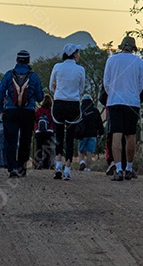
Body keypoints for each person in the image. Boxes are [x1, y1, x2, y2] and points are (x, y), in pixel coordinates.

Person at [102, 35, 143, 181]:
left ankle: (119, 169)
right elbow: (141, 85)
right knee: (130, 135)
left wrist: (114, 93)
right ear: (133, 48)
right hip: (132, 101)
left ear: (121, 46)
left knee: (116, 134)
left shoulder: (111, 60)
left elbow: (106, 83)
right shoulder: (139, 62)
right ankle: (129, 168)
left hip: (115, 101)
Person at [0, 49, 45, 178]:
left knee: (10, 140)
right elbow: (40, 97)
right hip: (28, 112)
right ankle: (22, 168)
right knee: (25, 140)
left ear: (17, 60)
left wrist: (1, 110)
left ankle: (12, 167)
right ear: (28, 61)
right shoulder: (33, 76)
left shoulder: (9, 75)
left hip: (11, 112)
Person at [48, 43, 86, 181]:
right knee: (70, 137)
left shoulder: (57, 67)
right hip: (73, 104)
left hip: (59, 103)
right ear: (74, 54)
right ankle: (67, 170)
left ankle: (58, 164)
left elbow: (51, 86)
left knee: (59, 135)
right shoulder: (80, 69)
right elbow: (81, 89)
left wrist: (60, 91)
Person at [76, 94, 103, 171]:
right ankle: (88, 168)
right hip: (93, 135)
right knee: (89, 152)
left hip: (82, 135)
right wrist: (101, 133)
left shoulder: (80, 110)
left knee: (80, 150)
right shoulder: (95, 111)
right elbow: (99, 123)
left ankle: (81, 162)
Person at [32, 95, 54, 170]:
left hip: (39, 131)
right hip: (49, 131)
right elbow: (53, 121)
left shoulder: (38, 110)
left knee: (39, 148)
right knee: (47, 149)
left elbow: (35, 120)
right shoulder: (51, 111)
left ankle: (38, 163)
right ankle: (46, 164)